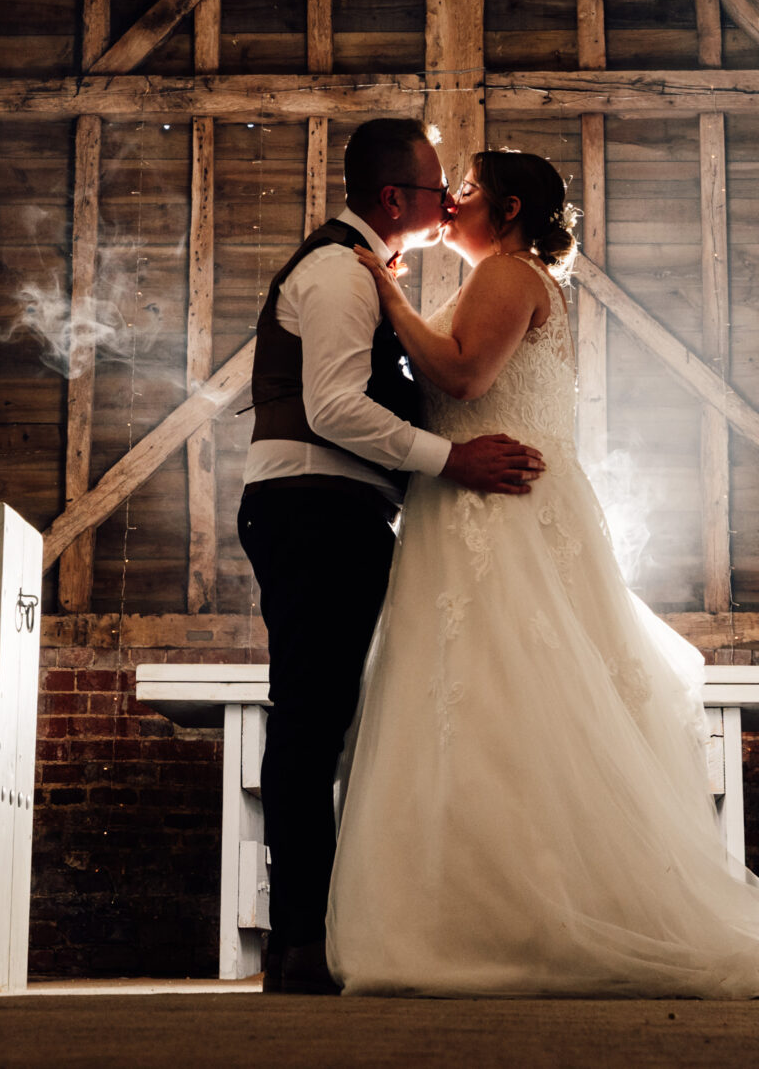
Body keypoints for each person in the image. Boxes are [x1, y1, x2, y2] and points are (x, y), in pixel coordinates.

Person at [324, 148, 759, 1000]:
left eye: (471, 189)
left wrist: (387, 295)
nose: (453, 199)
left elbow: (463, 374)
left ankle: (521, 917)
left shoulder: (506, 275)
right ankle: (488, 911)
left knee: (503, 703)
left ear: (510, 207)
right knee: (492, 712)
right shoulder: (502, 279)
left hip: (499, 511)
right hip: (480, 504)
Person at [237, 118, 547, 996]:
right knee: (309, 720)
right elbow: (332, 409)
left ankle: (316, 930)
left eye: (462, 189)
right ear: (391, 199)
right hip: (312, 507)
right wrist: (453, 460)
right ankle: (298, 939)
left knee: (327, 718)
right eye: (434, 188)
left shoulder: (369, 274)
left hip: (340, 510)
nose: (447, 201)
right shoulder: (339, 270)